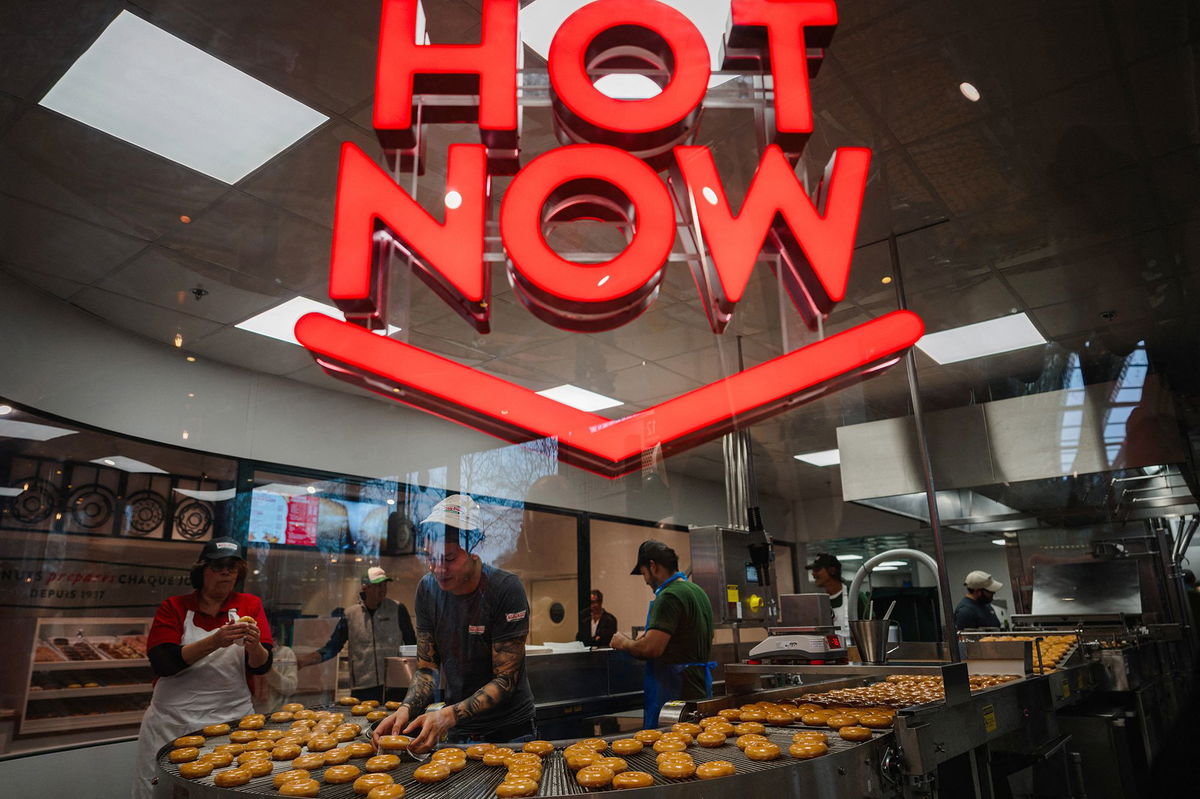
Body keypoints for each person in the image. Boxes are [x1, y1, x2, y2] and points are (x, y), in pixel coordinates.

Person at [372, 494, 536, 751]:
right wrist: (406, 708)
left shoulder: (505, 589)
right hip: (458, 729)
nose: (438, 569)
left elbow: (506, 679)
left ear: (475, 551)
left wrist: (448, 715)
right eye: (431, 558)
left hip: (509, 732)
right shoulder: (427, 589)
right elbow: (427, 669)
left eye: (448, 559)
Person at [132, 537, 273, 799]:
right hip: (173, 722)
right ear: (202, 571)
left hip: (231, 720)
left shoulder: (249, 604)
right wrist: (216, 641)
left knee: (227, 789)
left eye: (232, 567)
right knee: (163, 791)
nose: (227, 573)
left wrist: (254, 646)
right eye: (219, 566)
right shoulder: (175, 607)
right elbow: (164, 663)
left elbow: (261, 666)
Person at [610, 540, 715, 729]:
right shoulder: (697, 591)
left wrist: (623, 642)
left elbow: (651, 648)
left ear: (653, 566)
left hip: (675, 693)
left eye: (643, 573)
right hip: (698, 686)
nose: (645, 580)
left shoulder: (669, 596)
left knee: (670, 752)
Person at [297, 566, 415, 703]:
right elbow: (333, 647)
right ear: (365, 587)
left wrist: (413, 674)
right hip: (363, 686)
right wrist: (305, 661)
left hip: (394, 683)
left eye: (384, 584)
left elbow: (411, 643)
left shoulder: (397, 609)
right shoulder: (350, 615)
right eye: (377, 585)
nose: (382, 589)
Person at [253, 618, 298, 714]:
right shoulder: (245, 652)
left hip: (278, 713)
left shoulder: (285, 653)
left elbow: (290, 688)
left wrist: (268, 669)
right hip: (250, 713)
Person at [809, 553, 851, 635]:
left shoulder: (854, 596)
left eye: (817, 570)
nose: (813, 574)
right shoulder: (819, 602)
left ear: (832, 570)